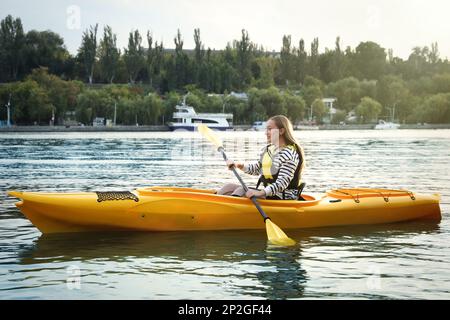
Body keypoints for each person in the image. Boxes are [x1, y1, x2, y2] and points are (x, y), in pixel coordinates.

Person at [217, 115, 305, 200]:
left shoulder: (288, 154)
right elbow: (256, 169)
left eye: (270, 129)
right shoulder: (270, 150)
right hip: (270, 194)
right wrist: (238, 165)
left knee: (240, 190)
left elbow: (282, 183)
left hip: (283, 198)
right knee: (228, 187)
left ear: (281, 131)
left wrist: (260, 193)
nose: (266, 133)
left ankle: (229, 211)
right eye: (266, 129)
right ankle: (217, 205)